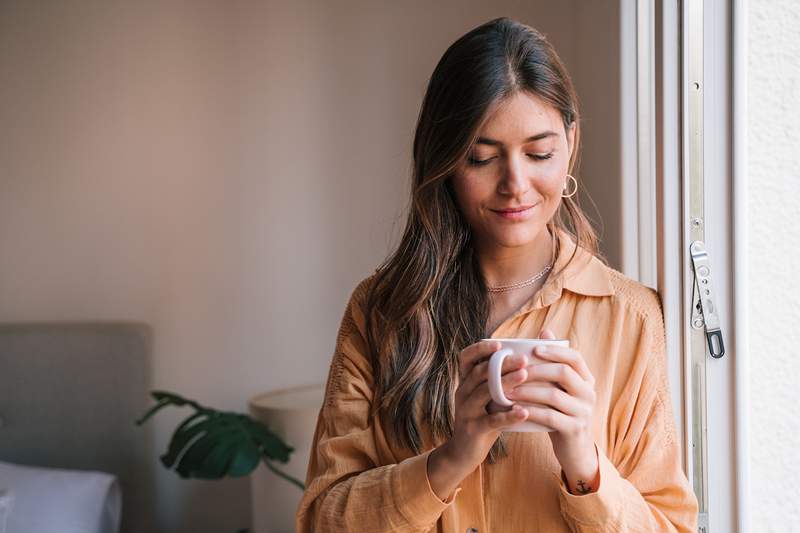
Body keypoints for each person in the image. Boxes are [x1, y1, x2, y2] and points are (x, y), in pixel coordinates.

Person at [295, 16, 698, 532]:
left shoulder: (630, 316)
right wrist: (453, 457)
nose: (516, 184)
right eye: (481, 158)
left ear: (571, 143)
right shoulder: (382, 310)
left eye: (539, 153)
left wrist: (584, 463)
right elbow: (320, 520)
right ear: (443, 161)